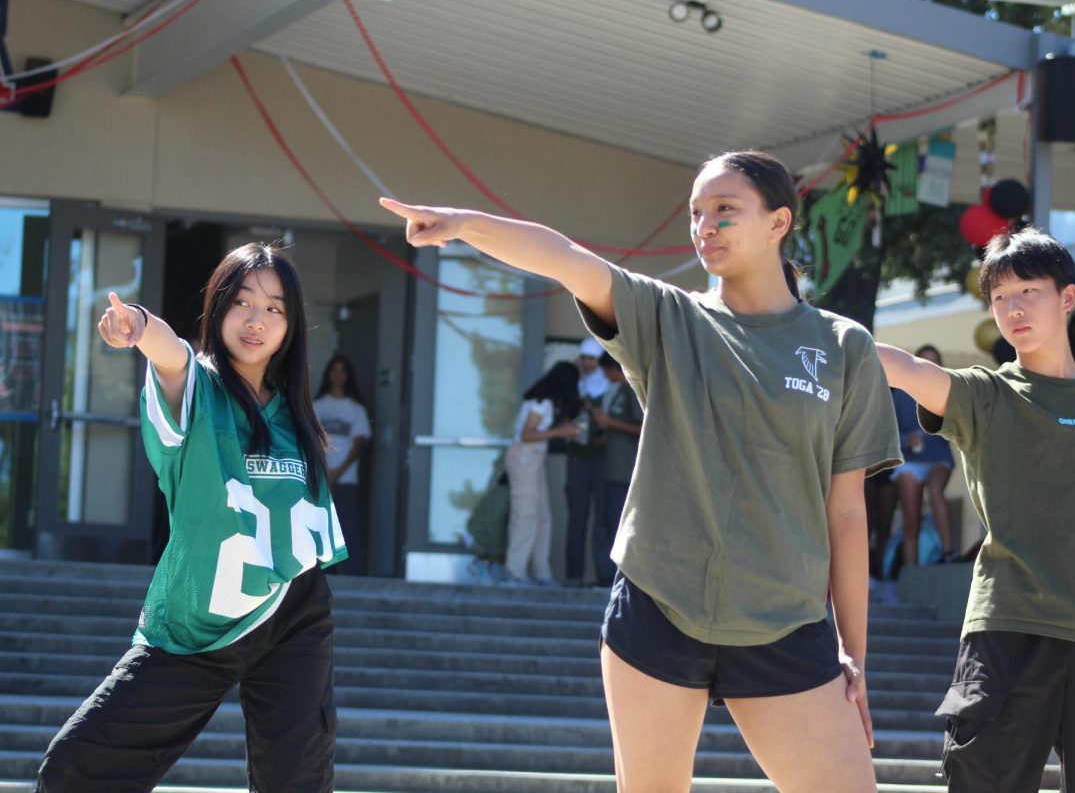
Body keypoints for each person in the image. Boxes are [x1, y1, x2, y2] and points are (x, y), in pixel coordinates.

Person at [380, 149, 901, 793]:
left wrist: (854, 652)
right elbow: (566, 258)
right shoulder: (667, 316)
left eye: (725, 211)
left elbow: (847, 512)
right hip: (659, 607)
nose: (703, 226)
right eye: (695, 213)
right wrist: (461, 223)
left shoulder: (843, 345)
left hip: (786, 621)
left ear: (779, 223)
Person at [876, 229, 1075, 792]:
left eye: (1027, 291)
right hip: (1004, 628)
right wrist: (819, 334)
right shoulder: (983, 394)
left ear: (1067, 297)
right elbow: (907, 369)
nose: (1012, 308)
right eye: (998, 297)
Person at [38, 244, 346, 792]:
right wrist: (137, 326)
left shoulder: (294, 411)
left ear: (291, 326)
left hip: (293, 609)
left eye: (275, 309)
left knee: (296, 780)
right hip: (197, 619)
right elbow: (170, 353)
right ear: (219, 307)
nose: (257, 320)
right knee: (80, 763)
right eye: (244, 302)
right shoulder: (197, 388)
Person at [502, 361, 581, 586]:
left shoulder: (546, 400)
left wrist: (563, 429)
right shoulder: (541, 401)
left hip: (533, 460)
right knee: (525, 516)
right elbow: (527, 435)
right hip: (524, 458)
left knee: (543, 516)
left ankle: (541, 573)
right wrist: (560, 431)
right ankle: (514, 572)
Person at [891, 344, 956, 567]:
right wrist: (906, 440)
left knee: (936, 491)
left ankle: (949, 554)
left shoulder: (950, 390)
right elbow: (887, 432)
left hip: (939, 458)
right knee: (911, 521)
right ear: (915, 364)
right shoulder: (899, 394)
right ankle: (911, 572)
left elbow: (960, 426)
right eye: (925, 361)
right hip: (909, 461)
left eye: (935, 362)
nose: (931, 366)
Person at [314, 354, 372, 574]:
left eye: (342, 371)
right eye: (334, 370)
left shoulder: (357, 409)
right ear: (328, 374)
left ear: (348, 376)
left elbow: (358, 444)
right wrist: (325, 470)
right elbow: (311, 440)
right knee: (320, 529)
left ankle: (352, 577)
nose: (338, 375)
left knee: (348, 529)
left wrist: (338, 470)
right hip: (320, 479)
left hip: (346, 479)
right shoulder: (316, 405)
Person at [590, 352, 643, 590]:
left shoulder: (632, 390)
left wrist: (610, 423)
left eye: (607, 371)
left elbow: (643, 427)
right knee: (605, 525)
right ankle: (605, 577)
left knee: (617, 526)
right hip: (611, 470)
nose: (605, 376)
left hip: (625, 473)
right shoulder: (616, 392)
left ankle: (617, 582)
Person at [564, 336, 610, 586]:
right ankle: (574, 574)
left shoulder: (611, 386)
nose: (587, 364)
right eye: (583, 358)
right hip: (577, 458)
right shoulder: (574, 385)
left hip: (602, 461)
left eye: (592, 359)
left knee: (602, 520)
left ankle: (604, 576)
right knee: (576, 517)